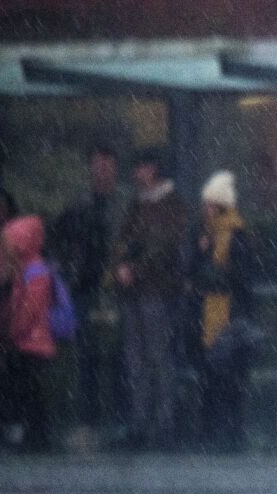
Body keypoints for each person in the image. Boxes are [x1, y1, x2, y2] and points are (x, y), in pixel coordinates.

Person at [111, 149, 187, 450]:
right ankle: (140, 423)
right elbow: (123, 240)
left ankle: (165, 424)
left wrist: (134, 269)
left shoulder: (171, 205)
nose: (136, 173)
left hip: (157, 291)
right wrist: (121, 265)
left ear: (153, 169)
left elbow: (165, 246)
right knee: (136, 360)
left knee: (157, 357)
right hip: (135, 292)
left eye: (141, 167)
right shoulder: (136, 204)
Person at [51, 143, 130, 434]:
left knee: (120, 353)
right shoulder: (78, 202)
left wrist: (125, 265)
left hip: (116, 288)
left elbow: (134, 239)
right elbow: (60, 237)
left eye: (107, 164)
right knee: (87, 354)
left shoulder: (126, 202)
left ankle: (120, 417)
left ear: (116, 167)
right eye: (98, 163)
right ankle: (90, 416)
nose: (103, 169)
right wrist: (67, 267)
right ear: (91, 167)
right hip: (84, 286)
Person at [192, 170, 256, 452]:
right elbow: (192, 270)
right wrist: (201, 254)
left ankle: (228, 431)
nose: (205, 209)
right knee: (213, 375)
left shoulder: (237, 235)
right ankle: (215, 430)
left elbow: (238, 278)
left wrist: (209, 274)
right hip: (210, 315)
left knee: (230, 376)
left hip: (229, 315)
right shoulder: (205, 234)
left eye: (209, 203)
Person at [0, 216, 56, 451]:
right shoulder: (27, 269)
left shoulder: (34, 272)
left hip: (33, 342)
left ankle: (37, 435)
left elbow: (29, 310)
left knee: (29, 390)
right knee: (28, 390)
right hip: (28, 341)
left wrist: (12, 332)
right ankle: (34, 434)